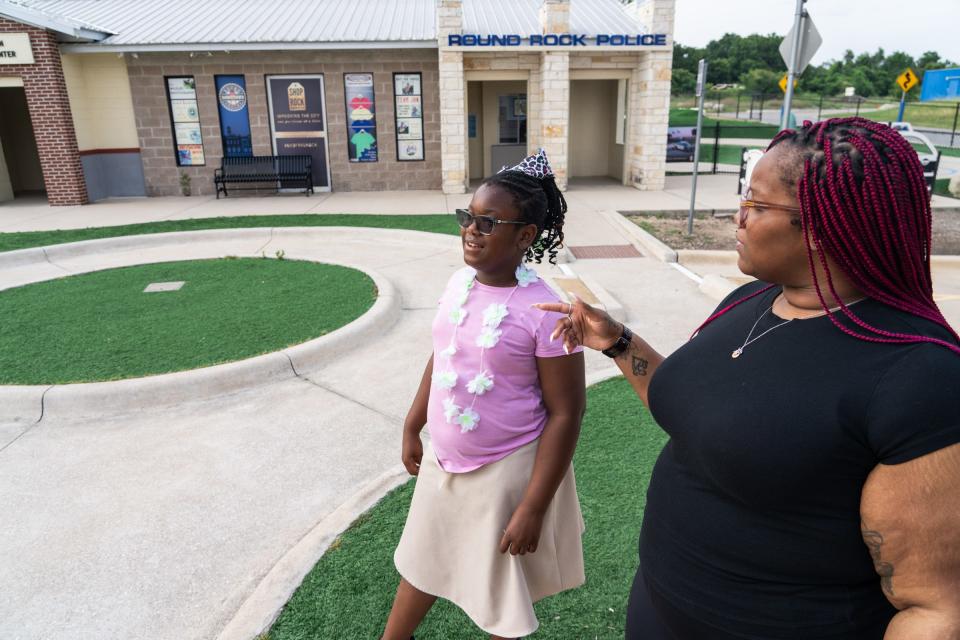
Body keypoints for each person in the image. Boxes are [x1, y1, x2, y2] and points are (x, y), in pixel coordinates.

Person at [537, 117, 960, 639]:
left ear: (831, 224)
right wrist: (619, 342)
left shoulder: (918, 373)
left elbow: (935, 609)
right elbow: (702, 416)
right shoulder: (755, 300)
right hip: (660, 601)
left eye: (757, 206)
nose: (737, 218)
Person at [382, 149, 587, 640]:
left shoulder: (546, 310)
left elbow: (567, 412)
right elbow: (443, 354)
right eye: (468, 218)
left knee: (500, 593)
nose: (472, 230)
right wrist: (414, 424)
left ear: (524, 236)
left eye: (488, 222)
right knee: (422, 558)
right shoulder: (457, 284)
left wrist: (534, 507)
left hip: (507, 471)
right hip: (445, 458)